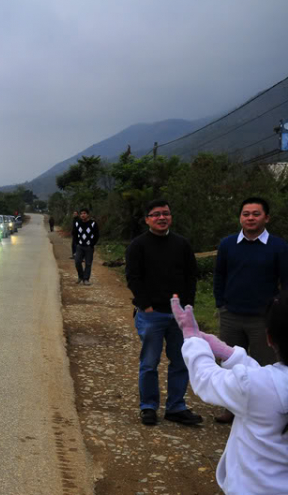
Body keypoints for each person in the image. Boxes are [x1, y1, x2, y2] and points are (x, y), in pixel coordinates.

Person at [171, 293, 288, 495]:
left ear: (269, 338)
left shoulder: (256, 386)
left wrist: (191, 338)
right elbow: (264, 382)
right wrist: (228, 353)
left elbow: (206, 378)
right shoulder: (262, 384)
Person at [125, 199, 202, 426]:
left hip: (180, 316)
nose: (162, 217)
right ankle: (148, 407)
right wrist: (146, 305)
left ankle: (176, 407)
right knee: (149, 362)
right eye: (156, 214)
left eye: (166, 213)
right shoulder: (138, 245)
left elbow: (191, 276)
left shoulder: (182, 244)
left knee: (180, 362)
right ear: (147, 219)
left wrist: (187, 306)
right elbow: (133, 277)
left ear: (171, 216)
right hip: (151, 315)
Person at [212, 197, 288, 423]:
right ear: (240, 217)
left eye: (256, 214)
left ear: (267, 217)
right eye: (246, 214)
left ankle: (262, 411)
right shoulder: (227, 244)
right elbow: (220, 275)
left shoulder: (279, 247)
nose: (250, 218)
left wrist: (278, 310)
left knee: (264, 366)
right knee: (229, 364)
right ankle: (231, 408)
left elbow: (286, 282)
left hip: (263, 319)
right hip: (231, 315)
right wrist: (220, 303)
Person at [73, 208, 99, 285]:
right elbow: (74, 233)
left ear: (88, 215)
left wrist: (92, 244)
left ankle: (86, 279)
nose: (82, 215)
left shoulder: (93, 223)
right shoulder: (77, 223)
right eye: (81, 213)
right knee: (77, 262)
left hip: (89, 247)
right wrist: (77, 243)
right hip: (80, 246)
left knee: (88, 263)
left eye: (84, 213)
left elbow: (96, 235)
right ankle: (80, 277)